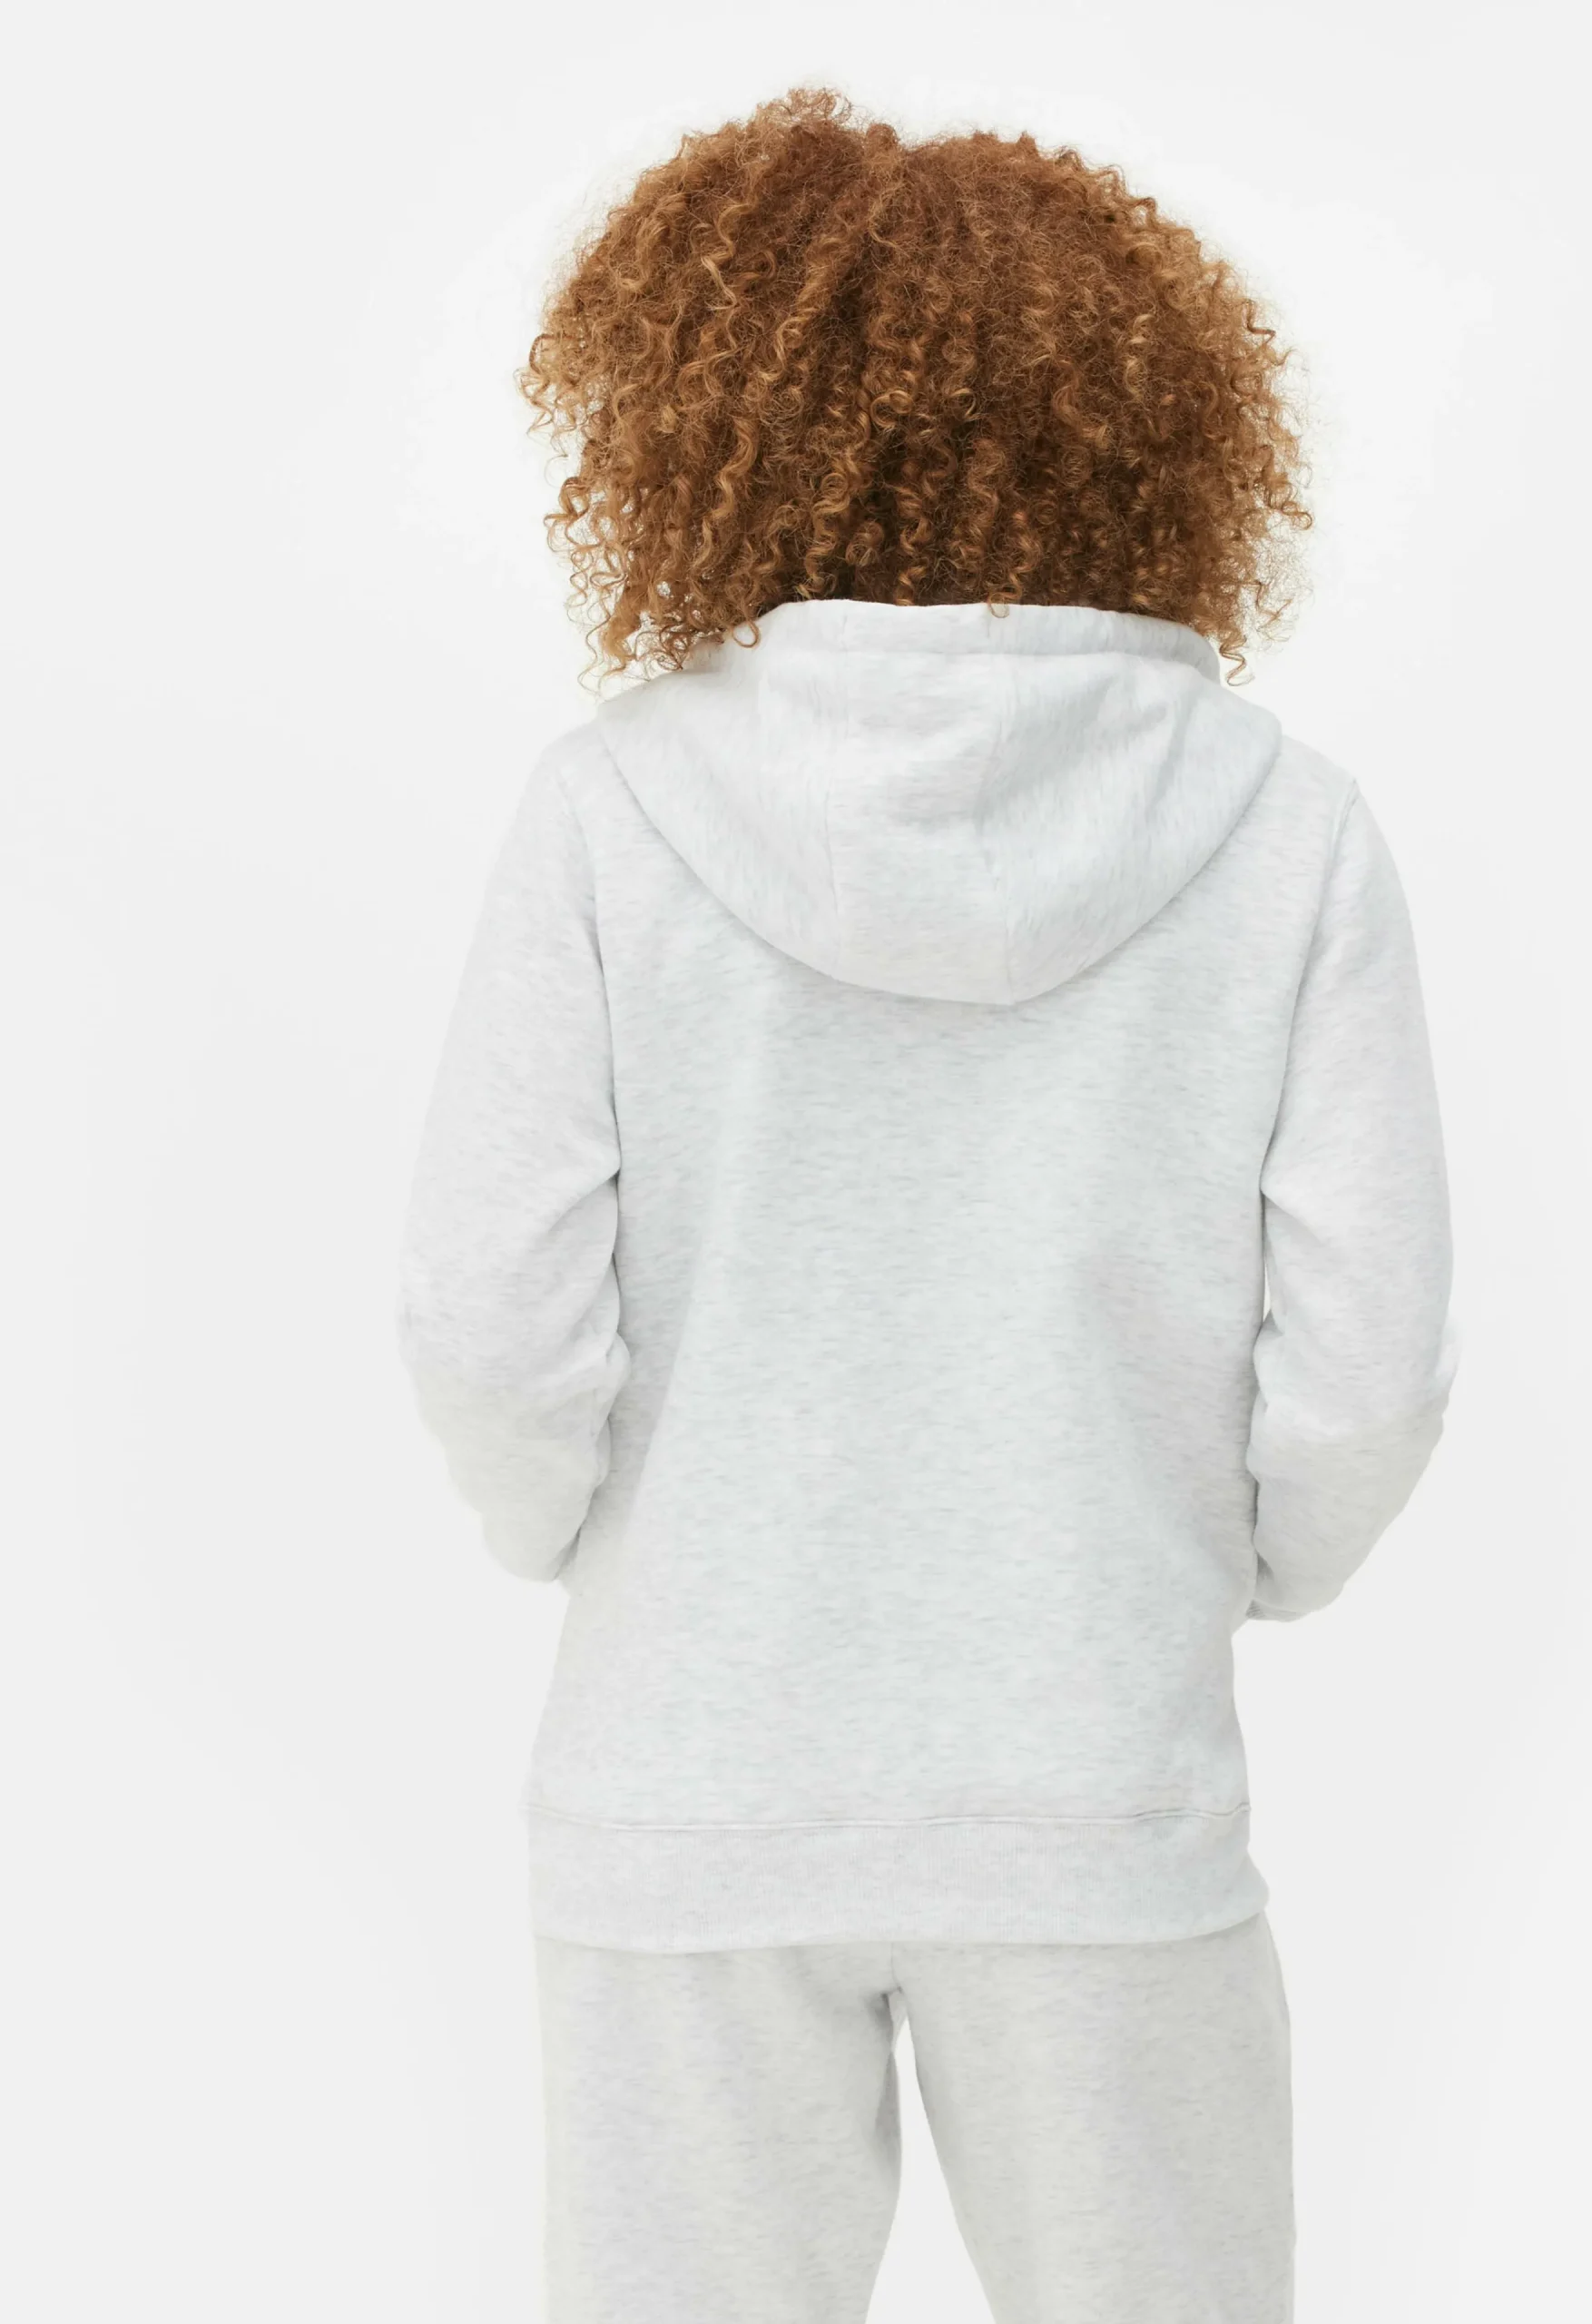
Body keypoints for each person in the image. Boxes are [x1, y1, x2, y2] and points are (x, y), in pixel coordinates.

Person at [395, 84, 1458, 2324]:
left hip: (684, 1792)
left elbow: (491, 1321)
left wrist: (601, 1543)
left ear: (703, 420)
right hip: (1100, 1783)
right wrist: (1212, 1562)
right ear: (1160, 433)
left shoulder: (609, 812)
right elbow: (1363, 1372)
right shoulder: (1286, 830)